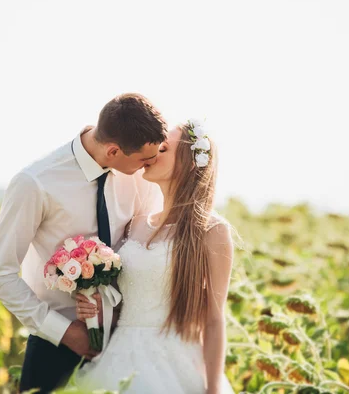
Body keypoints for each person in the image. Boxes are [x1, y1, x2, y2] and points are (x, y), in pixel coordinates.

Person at [0, 93, 167, 393]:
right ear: (113, 151)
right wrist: (65, 332)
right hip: (58, 339)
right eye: (144, 160)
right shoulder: (35, 183)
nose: (151, 165)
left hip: (128, 333)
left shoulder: (138, 174)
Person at [75, 119, 235, 394]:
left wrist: (214, 388)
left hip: (174, 361)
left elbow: (214, 319)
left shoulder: (212, 230)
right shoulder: (135, 224)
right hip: (119, 356)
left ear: (186, 163)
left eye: (163, 149)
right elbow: (128, 299)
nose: (150, 154)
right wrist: (98, 308)